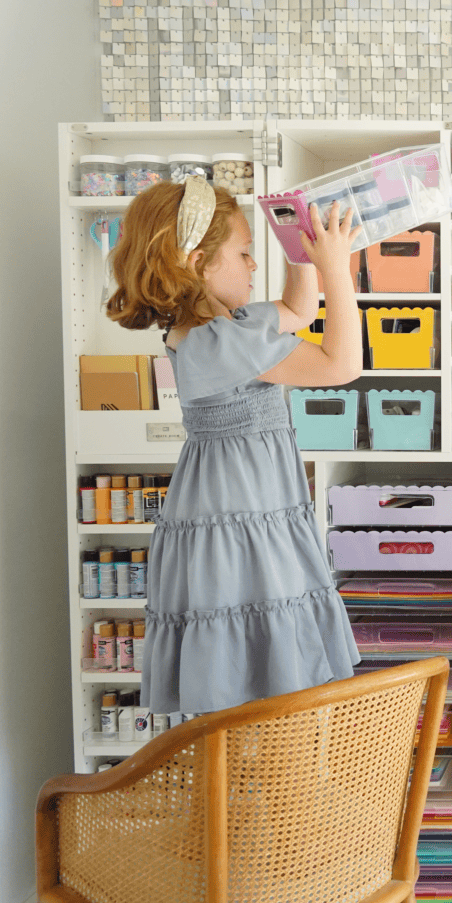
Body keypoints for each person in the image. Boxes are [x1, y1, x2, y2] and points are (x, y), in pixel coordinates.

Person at [106, 175, 362, 714]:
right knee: (254, 676)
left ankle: (263, 777)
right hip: (239, 515)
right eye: (244, 253)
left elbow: (298, 310)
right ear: (196, 262)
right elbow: (341, 364)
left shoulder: (225, 329)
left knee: (266, 665)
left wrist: (302, 250)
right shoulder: (216, 343)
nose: (251, 265)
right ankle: (258, 783)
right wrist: (338, 268)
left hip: (249, 508)